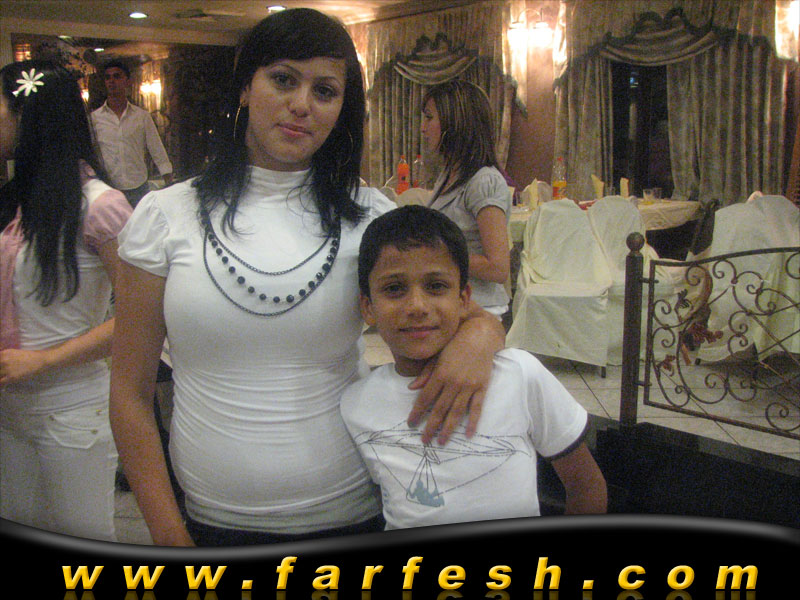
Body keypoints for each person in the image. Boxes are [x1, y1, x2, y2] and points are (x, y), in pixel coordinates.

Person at [109, 8, 505, 547]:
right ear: (246, 87)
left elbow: (469, 314)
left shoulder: (370, 215)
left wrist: (480, 338)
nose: (302, 104)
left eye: (325, 91)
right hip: (209, 523)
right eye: (283, 79)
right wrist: (166, 532)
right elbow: (130, 393)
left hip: (355, 510)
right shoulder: (165, 216)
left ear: (342, 108)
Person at [341, 205, 607, 529]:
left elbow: (587, 487)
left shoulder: (519, 375)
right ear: (368, 307)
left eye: (436, 286)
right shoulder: (355, 404)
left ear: (464, 298)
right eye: (394, 289)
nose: (417, 306)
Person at [0, 60, 132, 540]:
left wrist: (45, 360)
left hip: (71, 407)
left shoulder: (99, 206)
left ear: (27, 115)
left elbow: (141, 318)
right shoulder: (17, 201)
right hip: (9, 406)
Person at [421, 80, 511, 317]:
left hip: (479, 309)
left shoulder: (483, 181)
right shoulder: (450, 175)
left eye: (429, 117)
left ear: (454, 122)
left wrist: (433, 254)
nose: (423, 128)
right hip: (454, 303)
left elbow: (498, 267)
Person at [91, 59, 173, 207]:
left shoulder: (141, 117)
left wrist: (168, 181)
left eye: (117, 76)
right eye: (108, 77)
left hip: (138, 189)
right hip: (109, 189)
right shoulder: (95, 119)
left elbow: (157, 149)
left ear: (127, 81)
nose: (111, 81)